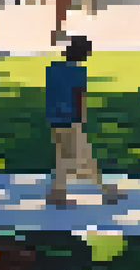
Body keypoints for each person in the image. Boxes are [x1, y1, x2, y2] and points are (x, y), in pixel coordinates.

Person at [45, 35, 126, 206]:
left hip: (54, 119)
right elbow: (79, 97)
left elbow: (51, 94)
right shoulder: (78, 72)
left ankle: (58, 193)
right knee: (82, 157)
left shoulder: (52, 69)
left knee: (64, 157)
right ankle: (106, 191)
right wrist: (81, 120)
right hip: (70, 120)